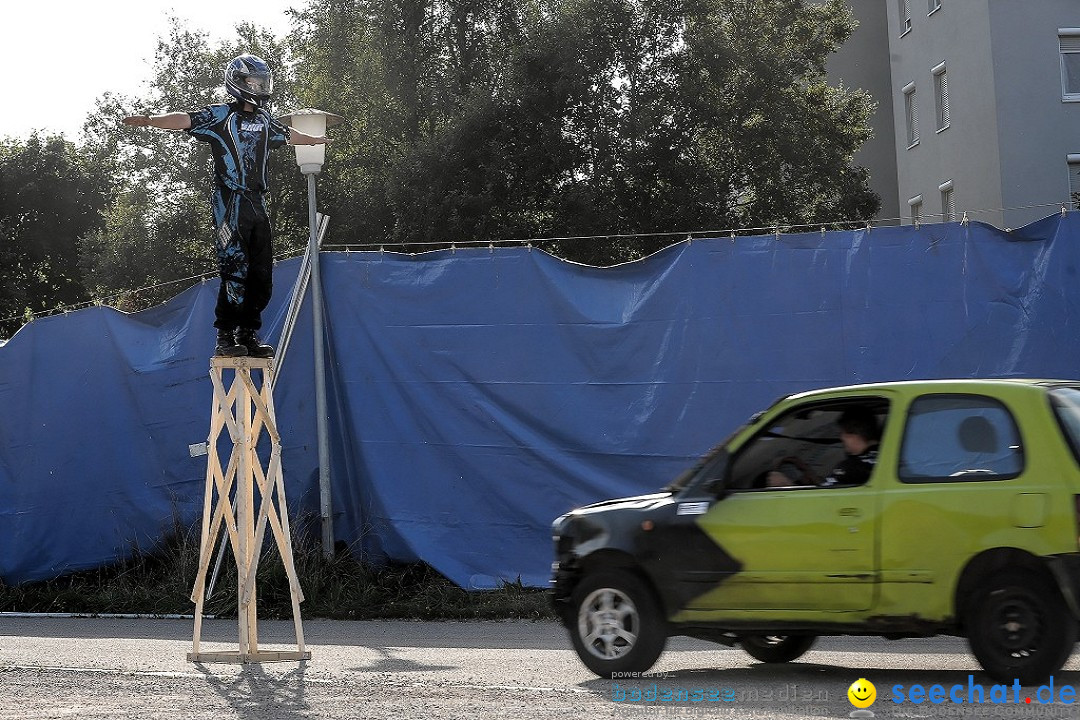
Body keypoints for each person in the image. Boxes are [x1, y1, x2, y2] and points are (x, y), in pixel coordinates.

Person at [122, 54, 332, 358]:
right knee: (235, 268)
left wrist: (313, 140)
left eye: (263, 82)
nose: (260, 87)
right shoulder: (221, 116)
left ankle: (247, 334)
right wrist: (150, 121)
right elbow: (185, 119)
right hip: (230, 201)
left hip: (257, 202)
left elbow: (288, 135)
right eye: (254, 82)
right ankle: (225, 336)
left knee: (261, 274)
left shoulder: (264, 121)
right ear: (238, 82)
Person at [766, 407, 881, 488]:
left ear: (854, 434)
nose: (841, 439)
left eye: (843, 433)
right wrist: (808, 472)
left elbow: (821, 500)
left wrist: (785, 484)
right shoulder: (886, 460)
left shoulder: (852, 468)